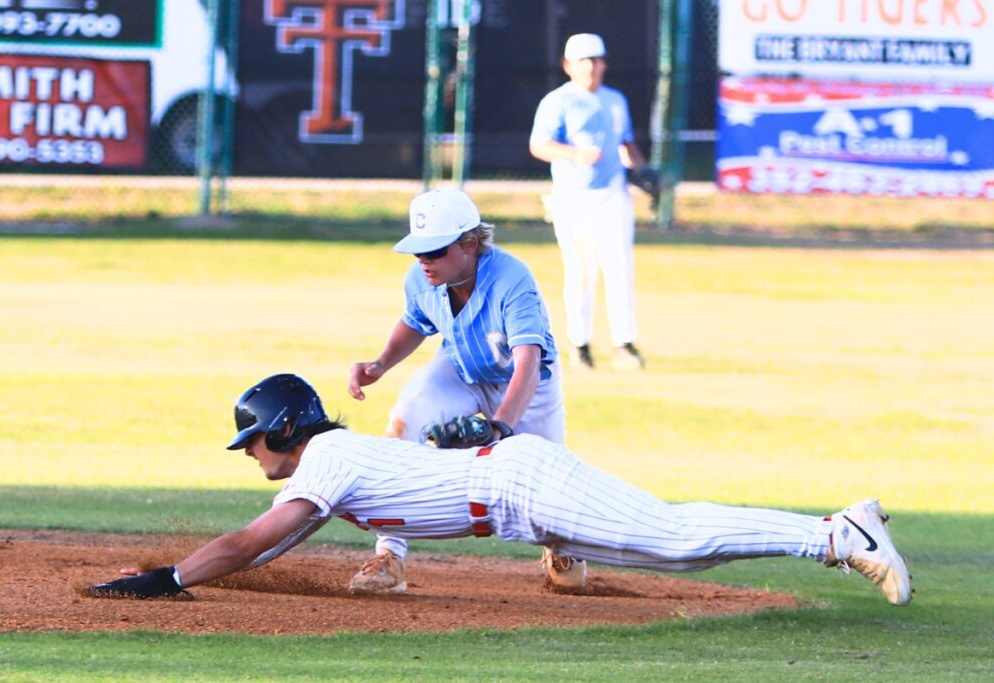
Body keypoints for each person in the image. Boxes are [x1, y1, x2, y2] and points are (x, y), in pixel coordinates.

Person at [88, 373, 913, 607]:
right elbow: (261, 542)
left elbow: (250, 542)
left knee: (677, 534)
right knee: (682, 551)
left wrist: (169, 578)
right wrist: (188, 577)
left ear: (286, 427)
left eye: (254, 438)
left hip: (521, 483)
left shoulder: (327, 461)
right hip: (517, 500)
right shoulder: (326, 466)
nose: (249, 453)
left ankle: (840, 533)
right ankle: (839, 532)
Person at [345, 187, 579, 594]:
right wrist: (380, 364)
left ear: (469, 243)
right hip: (460, 368)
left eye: (434, 251)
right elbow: (414, 322)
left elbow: (526, 362)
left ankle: (560, 545)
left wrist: (501, 427)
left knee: (546, 481)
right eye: (419, 251)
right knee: (407, 419)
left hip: (526, 386)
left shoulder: (512, 279)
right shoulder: (422, 277)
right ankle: (389, 555)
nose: (424, 261)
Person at [529, 32, 652, 371]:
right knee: (581, 270)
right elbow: (539, 145)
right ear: (568, 65)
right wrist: (575, 154)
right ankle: (580, 343)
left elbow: (626, 144)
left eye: (597, 60)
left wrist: (643, 170)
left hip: (612, 193)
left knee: (620, 268)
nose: (592, 67)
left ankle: (624, 344)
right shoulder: (559, 101)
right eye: (584, 60)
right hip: (573, 195)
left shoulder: (615, 100)